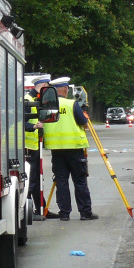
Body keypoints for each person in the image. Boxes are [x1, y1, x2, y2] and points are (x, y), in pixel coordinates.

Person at [43, 76, 98, 221]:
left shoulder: (47, 104)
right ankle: (85, 213)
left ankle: (64, 214)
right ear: (66, 89)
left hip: (56, 149)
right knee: (79, 181)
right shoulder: (71, 104)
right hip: (74, 148)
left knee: (61, 181)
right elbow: (84, 124)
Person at [24, 75, 50, 218]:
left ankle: (41, 209)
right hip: (27, 146)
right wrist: (33, 126)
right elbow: (20, 121)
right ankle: (28, 210)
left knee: (38, 179)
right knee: (31, 180)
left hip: (34, 145)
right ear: (42, 86)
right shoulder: (28, 100)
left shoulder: (38, 100)